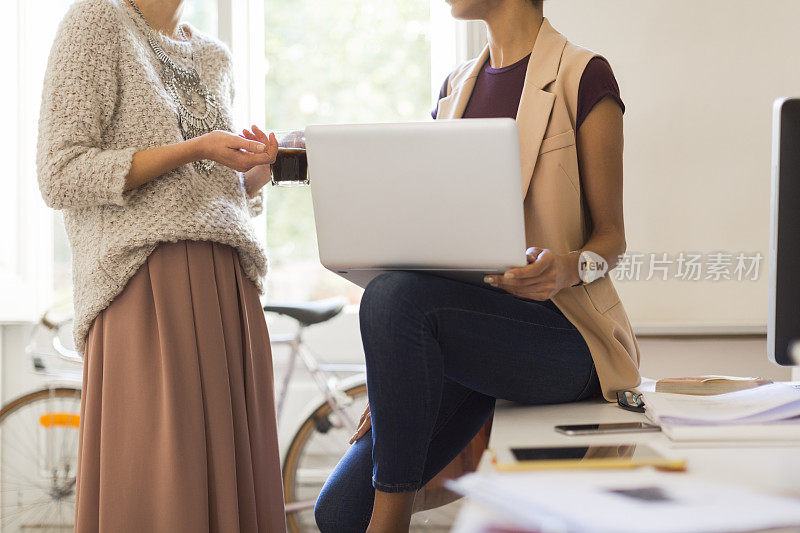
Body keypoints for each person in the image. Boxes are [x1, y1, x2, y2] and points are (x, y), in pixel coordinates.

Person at [314, 0, 641, 531]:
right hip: (464, 332)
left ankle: (389, 523)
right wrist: (395, 376)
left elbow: (613, 239)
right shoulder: (454, 88)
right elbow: (434, 238)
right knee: (338, 510)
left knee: (394, 297)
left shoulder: (583, 74)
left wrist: (563, 268)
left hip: (563, 335)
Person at [37, 0, 286, 530]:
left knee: (230, 482)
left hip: (229, 289)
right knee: (159, 480)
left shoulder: (214, 56)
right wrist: (193, 148)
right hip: (144, 287)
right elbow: (60, 174)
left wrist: (251, 176)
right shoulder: (97, 23)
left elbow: (205, 192)